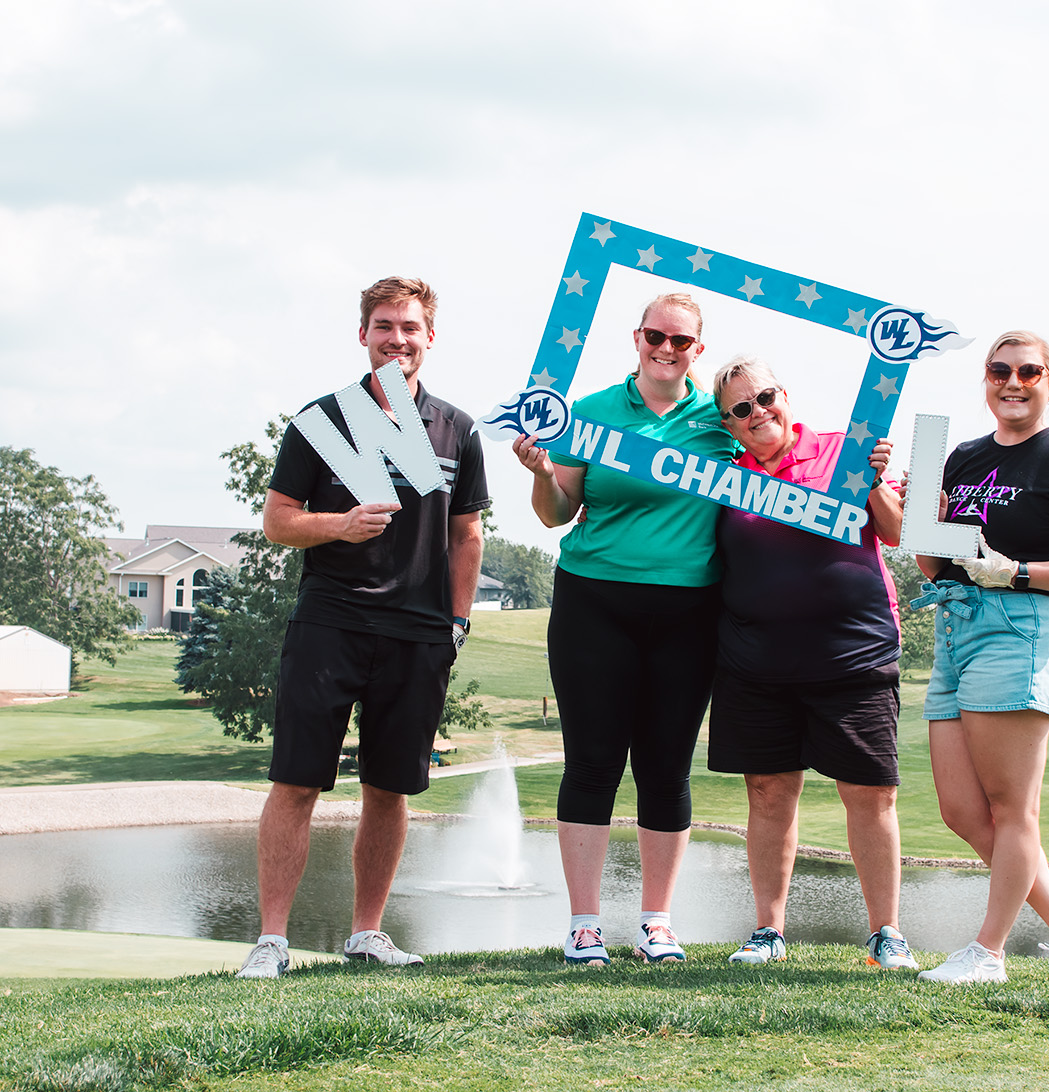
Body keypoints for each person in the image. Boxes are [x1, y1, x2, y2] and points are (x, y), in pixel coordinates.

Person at [236, 277, 489, 979]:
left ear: (429, 337)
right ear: (363, 335)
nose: (397, 339)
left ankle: (367, 934)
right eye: (383, 326)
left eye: (409, 327)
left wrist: (457, 623)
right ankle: (272, 941)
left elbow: (466, 536)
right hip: (330, 623)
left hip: (417, 634)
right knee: (296, 782)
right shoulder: (322, 419)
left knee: (389, 788)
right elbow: (278, 521)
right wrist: (339, 526)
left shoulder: (457, 428)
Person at [512, 292, 739, 966]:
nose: (666, 350)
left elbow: (781, 475)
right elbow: (556, 513)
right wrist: (537, 473)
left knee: (666, 768)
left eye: (681, 341)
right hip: (593, 603)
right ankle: (584, 925)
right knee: (592, 761)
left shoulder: (721, 419)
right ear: (635, 338)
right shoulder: (590, 412)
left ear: (699, 348)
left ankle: (655, 924)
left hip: (689, 610)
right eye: (654, 337)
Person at [911, 330, 1049, 985]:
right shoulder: (962, 457)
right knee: (962, 812)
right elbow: (936, 561)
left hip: (1021, 629)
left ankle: (988, 952)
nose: (1012, 382)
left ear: (1047, 381)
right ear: (986, 378)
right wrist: (920, 509)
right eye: (1000, 370)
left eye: (1028, 371)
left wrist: (1018, 573)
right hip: (955, 626)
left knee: (1010, 809)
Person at [708, 356, 918, 970]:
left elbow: (901, 532)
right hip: (756, 663)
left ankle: (886, 934)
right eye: (740, 410)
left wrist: (875, 482)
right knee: (769, 793)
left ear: (786, 396)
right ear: (728, 425)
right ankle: (768, 932)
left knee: (870, 794)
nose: (757, 413)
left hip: (854, 655)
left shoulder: (846, 450)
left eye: (765, 397)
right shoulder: (719, 477)